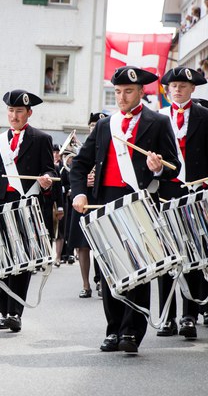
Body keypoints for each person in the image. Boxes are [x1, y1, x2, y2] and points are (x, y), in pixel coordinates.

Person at [70, 66, 180, 354]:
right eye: (117, 92)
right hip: (106, 201)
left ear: (141, 92)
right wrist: (80, 191)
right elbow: (80, 164)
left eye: (127, 91)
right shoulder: (107, 125)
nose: (121, 97)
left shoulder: (157, 122)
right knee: (110, 268)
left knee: (139, 268)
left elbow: (173, 167)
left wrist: (158, 169)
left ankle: (131, 332)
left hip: (140, 200)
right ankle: (113, 329)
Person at [0, 89, 55, 333]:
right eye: (11, 111)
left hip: (27, 204)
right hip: (1, 205)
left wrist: (47, 179)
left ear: (29, 113)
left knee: (21, 262)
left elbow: (51, 171)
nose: (14, 116)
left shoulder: (42, 139)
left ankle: (16, 312)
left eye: (19, 111)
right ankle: (4, 312)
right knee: (3, 259)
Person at [156, 66, 208, 339]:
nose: (178, 90)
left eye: (183, 86)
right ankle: (167, 316)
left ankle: (189, 314)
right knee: (167, 257)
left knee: (193, 256)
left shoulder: (204, 116)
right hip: (165, 193)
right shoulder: (157, 118)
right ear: (166, 89)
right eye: (173, 86)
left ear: (193, 89)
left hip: (196, 193)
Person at [68, 112, 107, 298]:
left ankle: (101, 280)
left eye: (97, 124)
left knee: (101, 242)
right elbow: (75, 170)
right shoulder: (83, 148)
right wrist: (84, 182)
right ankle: (85, 284)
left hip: (99, 197)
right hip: (83, 198)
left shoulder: (108, 144)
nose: (94, 128)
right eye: (92, 125)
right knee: (82, 244)